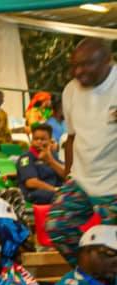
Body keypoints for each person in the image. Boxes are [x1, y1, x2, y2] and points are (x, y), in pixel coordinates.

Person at [48, 38, 116, 264]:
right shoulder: (71, 91)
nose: (78, 71)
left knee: (111, 243)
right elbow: (72, 138)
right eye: (74, 65)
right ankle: (90, 275)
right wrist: (67, 175)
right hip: (81, 179)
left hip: (113, 185)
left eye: (87, 64)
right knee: (57, 226)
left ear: (108, 60)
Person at [16, 123, 67, 205]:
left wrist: (50, 161)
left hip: (55, 192)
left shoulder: (53, 155)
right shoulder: (26, 158)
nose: (39, 142)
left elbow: (66, 175)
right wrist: (55, 190)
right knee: (57, 196)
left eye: (43, 139)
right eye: (36, 139)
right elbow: (31, 182)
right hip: (35, 194)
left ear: (50, 141)